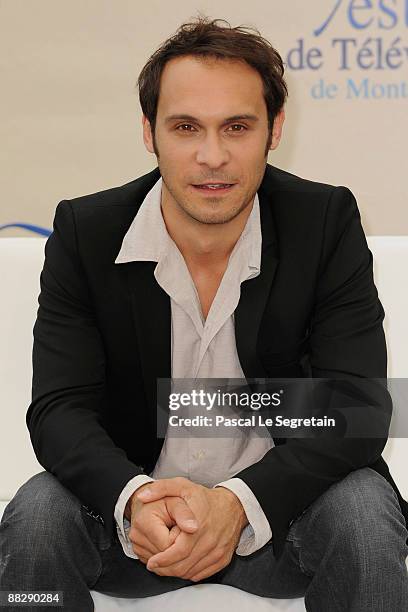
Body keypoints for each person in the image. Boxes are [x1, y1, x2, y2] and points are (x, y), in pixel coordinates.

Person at [1, 14, 408, 612]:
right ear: (149, 131)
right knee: (35, 518)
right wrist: (135, 497)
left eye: (237, 127)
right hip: (134, 526)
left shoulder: (324, 222)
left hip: (283, 518)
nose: (211, 156)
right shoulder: (86, 232)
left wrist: (237, 502)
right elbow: (60, 408)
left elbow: (359, 408)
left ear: (274, 130)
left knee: (366, 515)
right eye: (186, 126)